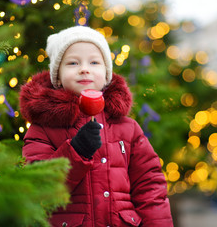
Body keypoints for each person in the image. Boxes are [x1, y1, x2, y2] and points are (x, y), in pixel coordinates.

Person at [19, 26, 174, 227]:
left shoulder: (128, 129)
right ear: (57, 77)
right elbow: (39, 187)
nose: (84, 68)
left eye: (94, 62)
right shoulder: (43, 129)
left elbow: (149, 186)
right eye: (73, 62)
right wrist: (76, 151)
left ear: (106, 74)